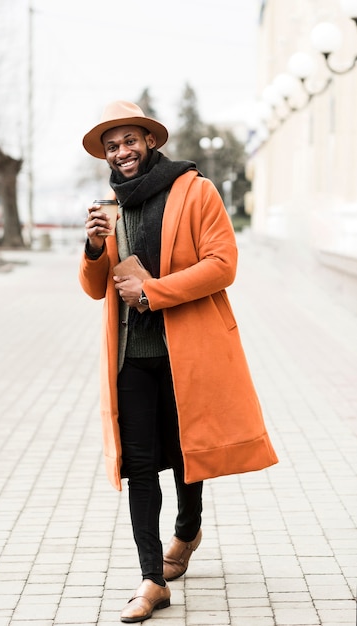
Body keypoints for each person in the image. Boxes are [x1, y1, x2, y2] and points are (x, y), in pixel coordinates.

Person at [79, 100, 278, 623]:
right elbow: (96, 289)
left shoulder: (195, 190)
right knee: (140, 465)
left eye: (129, 141)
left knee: (190, 452)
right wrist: (94, 246)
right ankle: (150, 580)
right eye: (112, 146)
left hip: (186, 350)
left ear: (150, 141)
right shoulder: (111, 205)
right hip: (131, 358)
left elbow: (223, 264)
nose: (122, 152)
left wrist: (154, 293)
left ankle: (187, 530)